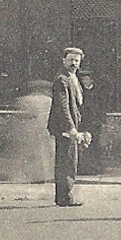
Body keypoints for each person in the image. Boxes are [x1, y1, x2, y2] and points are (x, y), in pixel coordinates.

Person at [47, 47, 91, 207]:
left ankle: (63, 196)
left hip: (72, 126)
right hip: (64, 128)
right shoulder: (62, 79)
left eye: (77, 60)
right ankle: (65, 197)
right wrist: (70, 128)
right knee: (67, 162)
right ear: (63, 60)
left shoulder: (73, 78)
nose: (74, 63)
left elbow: (78, 105)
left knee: (68, 160)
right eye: (71, 60)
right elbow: (63, 106)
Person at [77, 68, 105, 175]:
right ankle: (83, 168)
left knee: (94, 144)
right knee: (83, 144)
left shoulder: (98, 92)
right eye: (83, 79)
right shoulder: (80, 91)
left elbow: (102, 106)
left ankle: (95, 167)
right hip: (83, 121)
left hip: (95, 122)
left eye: (87, 79)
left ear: (91, 80)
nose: (85, 81)